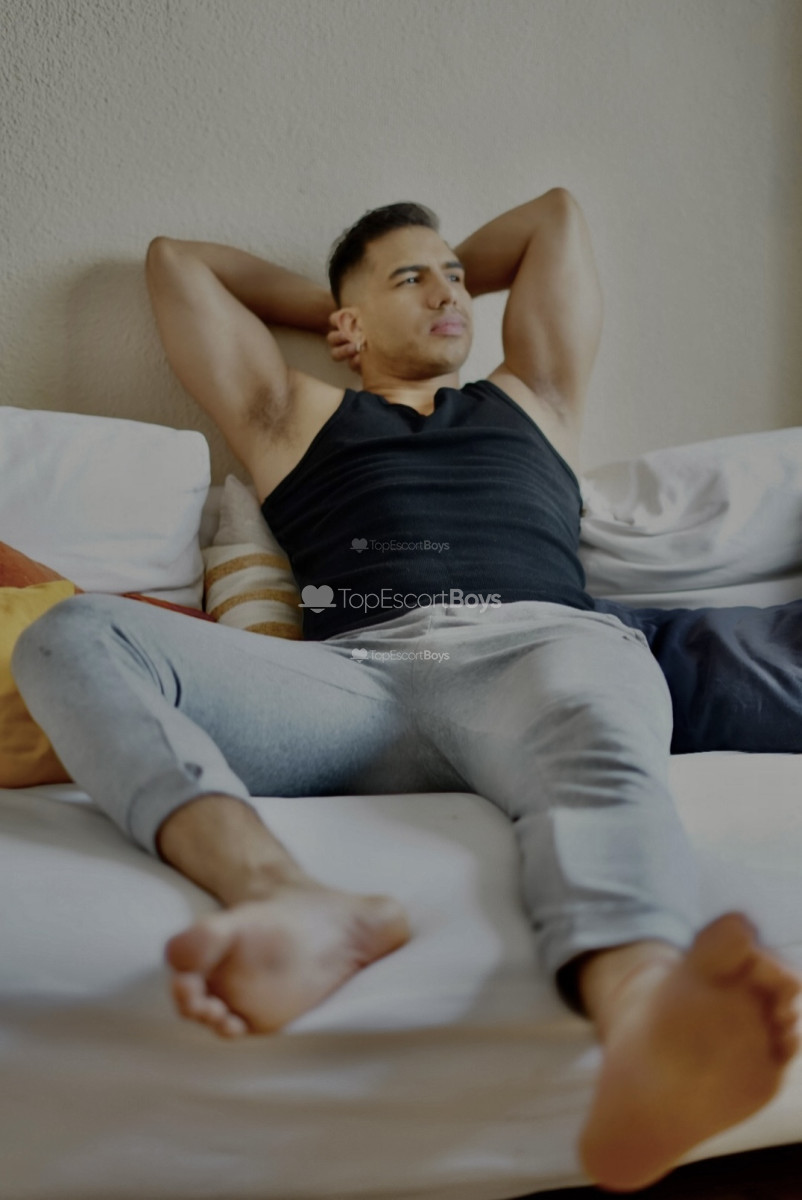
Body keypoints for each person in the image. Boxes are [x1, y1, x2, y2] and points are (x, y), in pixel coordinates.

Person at [11, 190, 800, 1193]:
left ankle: (644, 1015)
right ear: (349, 318)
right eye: (413, 278)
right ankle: (287, 901)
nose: (451, 293)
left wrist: (422, 280)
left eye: (460, 277)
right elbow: (177, 264)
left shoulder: (535, 396)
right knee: (73, 632)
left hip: (537, 651)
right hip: (355, 680)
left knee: (591, 725)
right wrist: (332, 308)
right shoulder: (291, 411)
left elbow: (555, 219)